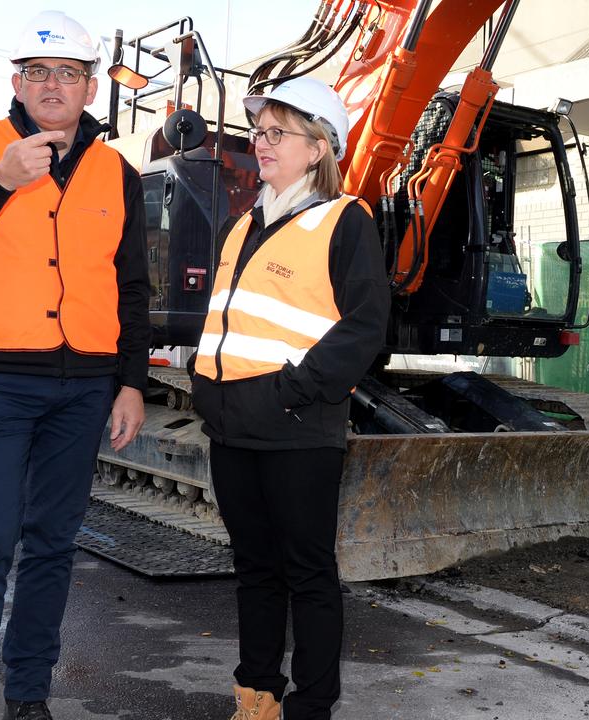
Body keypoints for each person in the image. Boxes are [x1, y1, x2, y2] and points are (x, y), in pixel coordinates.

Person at [0, 11, 150, 720]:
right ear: (17, 80)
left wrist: (131, 381)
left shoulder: (117, 172)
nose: (53, 85)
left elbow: (131, 286)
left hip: (85, 385)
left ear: (89, 86)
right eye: (39, 72)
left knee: (52, 545)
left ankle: (30, 694)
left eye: (68, 74)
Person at [191, 77, 389, 720]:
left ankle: (312, 704)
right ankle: (257, 693)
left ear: (319, 148)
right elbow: (225, 320)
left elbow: (363, 328)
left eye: (278, 132)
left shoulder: (343, 220)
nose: (261, 143)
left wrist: (293, 390)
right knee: (253, 568)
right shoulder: (243, 224)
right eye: (259, 131)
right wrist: (204, 386)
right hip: (230, 426)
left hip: (298, 428)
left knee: (307, 572)